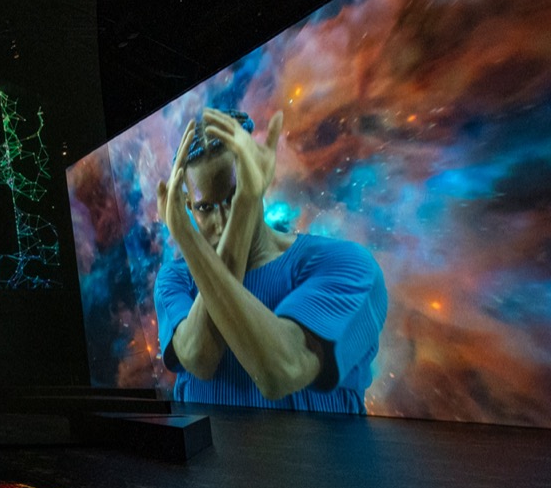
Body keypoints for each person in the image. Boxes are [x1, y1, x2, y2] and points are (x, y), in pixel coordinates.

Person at [154, 108, 387, 412]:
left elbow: (282, 370)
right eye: (205, 208)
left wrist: (244, 202)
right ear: (187, 205)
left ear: (259, 176)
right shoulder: (176, 278)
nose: (223, 221)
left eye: (234, 197)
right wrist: (191, 237)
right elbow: (199, 357)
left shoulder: (345, 264)